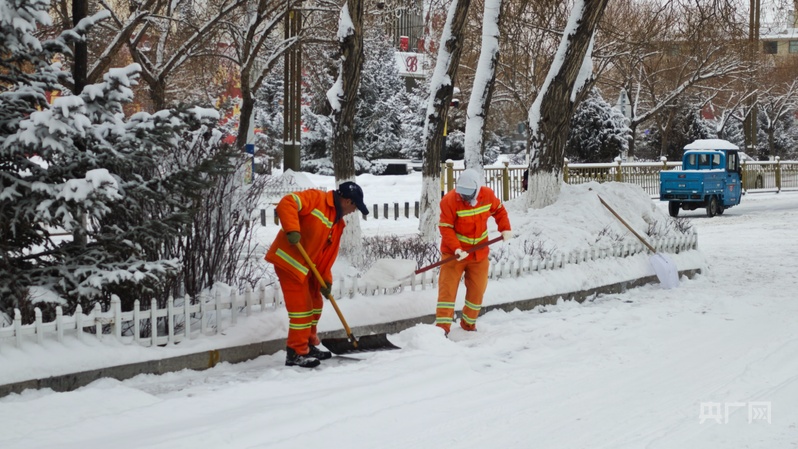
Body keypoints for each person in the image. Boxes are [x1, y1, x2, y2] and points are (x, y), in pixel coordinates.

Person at [265, 181, 369, 368]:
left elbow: (325, 256)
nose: (354, 211)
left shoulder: (337, 224)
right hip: (290, 263)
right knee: (302, 310)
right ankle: (296, 352)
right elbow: (287, 203)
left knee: (315, 306)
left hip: (309, 269)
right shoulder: (317, 199)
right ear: (347, 201)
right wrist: (292, 229)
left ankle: (309, 344)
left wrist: (325, 281)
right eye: (355, 206)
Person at [435, 169, 512, 336]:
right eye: (462, 193)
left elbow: (499, 210)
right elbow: (446, 228)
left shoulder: (487, 195)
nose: (464, 197)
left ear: (477, 189)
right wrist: (456, 248)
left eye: (468, 194)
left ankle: (469, 325)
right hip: (454, 255)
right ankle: (442, 330)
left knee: (477, 290)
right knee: (447, 292)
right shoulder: (449, 201)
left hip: (479, 254)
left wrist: (505, 229)